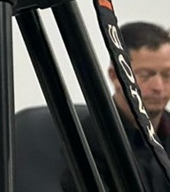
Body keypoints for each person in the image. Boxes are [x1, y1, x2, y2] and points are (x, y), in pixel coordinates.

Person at [61, 21, 170, 191]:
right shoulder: (87, 141)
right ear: (115, 76)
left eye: (167, 75)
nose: (159, 87)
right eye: (145, 74)